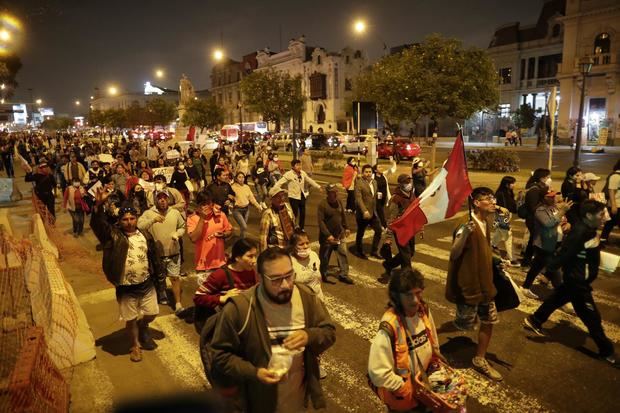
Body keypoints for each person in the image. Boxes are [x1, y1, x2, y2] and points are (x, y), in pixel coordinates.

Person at [210, 247, 336, 413]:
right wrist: (255, 373)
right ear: (260, 278)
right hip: (257, 402)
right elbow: (219, 356)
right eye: (276, 279)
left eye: (289, 275)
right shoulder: (240, 308)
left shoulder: (307, 297)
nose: (285, 285)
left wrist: (309, 335)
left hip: (296, 402)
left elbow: (329, 331)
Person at [524, 200, 616, 366]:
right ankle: (607, 350)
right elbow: (565, 253)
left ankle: (535, 319)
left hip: (577, 279)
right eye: (601, 214)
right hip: (578, 281)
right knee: (591, 317)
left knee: (559, 297)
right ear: (589, 216)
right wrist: (549, 270)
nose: (605, 217)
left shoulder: (588, 229)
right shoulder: (581, 232)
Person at [90, 190, 163, 363]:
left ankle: (143, 326)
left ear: (136, 218)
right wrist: (99, 205)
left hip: (146, 283)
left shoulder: (145, 235)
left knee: (152, 313)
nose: (129, 222)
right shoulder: (112, 236)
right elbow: (98, 225)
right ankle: (135, 346)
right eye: (125, 219)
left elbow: (154, 257)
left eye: (132, 218)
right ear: (119, 221)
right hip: (125, 287)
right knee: (130, 320)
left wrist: (160, 277)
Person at [368, 268, 448, 413]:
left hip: (425, 388)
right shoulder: (389, 327)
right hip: (405, 399)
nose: (415, 300)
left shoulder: (423, 310)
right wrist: (404, 387)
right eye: (408, 295)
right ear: (396, 296)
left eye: (418, 293)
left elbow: (433, 339)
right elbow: (377, 373)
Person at [445, 187, 503, 381]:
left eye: (493, 198)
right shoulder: (466, 224)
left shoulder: (485, 222)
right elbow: (454, 254)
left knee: (489, 321)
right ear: (476, 203)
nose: (493, 202)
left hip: (485, 285)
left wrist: (497, 260)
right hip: (469, 286)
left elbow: (483, 248)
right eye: (489, 199)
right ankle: (432, 342)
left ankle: (479, 358)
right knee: (462, 324)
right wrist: (463, 236)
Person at [138, 189, 186, 313]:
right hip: (156, 254)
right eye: (159, 198)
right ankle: (161, 292)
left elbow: (182, 227)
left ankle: (178, 304)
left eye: (165, 198)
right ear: (155, 200)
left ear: (168, 199)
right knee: (159, 277)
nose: (162, 200)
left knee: (175, 277)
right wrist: (153, 220)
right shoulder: (149, 213)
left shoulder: (175, 212)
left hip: (174, 252)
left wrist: (178, 233)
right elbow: (139, 225)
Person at [521, 190, 572, 299]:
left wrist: (567, 224)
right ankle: (562, 299)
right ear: (544, 198)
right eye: (551, 196)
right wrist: (562, 211)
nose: (555, 198)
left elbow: (561, 222)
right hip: (544, 245)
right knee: (555, 270)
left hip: (556, 243)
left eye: (556, 196)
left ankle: (525, 288)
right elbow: (549, 224)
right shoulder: (540, 210)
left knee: (536, 266)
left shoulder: (555, 208)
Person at [193, 238, 259, 317]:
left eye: (255, 256)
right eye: (250, 256)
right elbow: (198, 297)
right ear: (237, 257)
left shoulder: (251, 272)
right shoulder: (220, 274)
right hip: (227, 321)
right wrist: (222, 298)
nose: (254, 260)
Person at [187, 192, 233, 275]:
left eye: (208, 203)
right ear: (198, 205)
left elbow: (229, 230)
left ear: (212, 204)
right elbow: (193, 238)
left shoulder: (221, 215)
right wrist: (202, 218)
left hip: (220, 263)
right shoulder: (192, 218)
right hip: (202, 266)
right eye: (203, 204)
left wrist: (224, 235)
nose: (206, 207)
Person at [382, 174, 417, 281]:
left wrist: (420, 227)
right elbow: (391, 218)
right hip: (400, 230)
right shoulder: (396, 198)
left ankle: (389, 264)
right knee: (406, 257)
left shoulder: (411, 194)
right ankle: (407, 279)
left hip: (410, 229)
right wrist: (388, 237)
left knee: (410, 252)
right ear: (401, 184)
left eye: (409, 182)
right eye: (406, 183)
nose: (409, 184)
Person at [317, 184, 352, 284]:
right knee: (324, 257)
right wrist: (328, 235)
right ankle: (323, 274)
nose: (335, 193)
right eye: (333, 192)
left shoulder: (339, 201)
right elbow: (321, 222)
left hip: (339, 234)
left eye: (336, 191)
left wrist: (346, 227)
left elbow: (343, 215)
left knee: (343, 254)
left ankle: (344, 275)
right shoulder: (322, 204)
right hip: (327, 237)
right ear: (328, 193)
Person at [274, 159, 322, 230]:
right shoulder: (289, 174)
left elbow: (309, 180)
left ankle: (301, 227)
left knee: (303, 213)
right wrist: (275, 190)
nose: (299, 166)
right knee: (294, 214)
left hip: (301, 195)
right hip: (293, 197)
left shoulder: (302, 173)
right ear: (293, 166)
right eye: (297, 165)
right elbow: (279, 183)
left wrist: (318, 186)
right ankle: (293, 227)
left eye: (300, 165)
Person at [522, 168, 552, 266]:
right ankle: (529, 261)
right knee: (535, 240)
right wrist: (546, 202)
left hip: (537, 218)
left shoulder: (541, 187)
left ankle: (527, 261)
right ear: (541, 178)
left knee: (534, 239)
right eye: (547, 177)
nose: (549, 179)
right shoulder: (534, 189)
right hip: (533, 219)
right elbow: (532, 207)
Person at [354, 164, 382, 259]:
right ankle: (359, 251)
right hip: (363, 213)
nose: (368, 174)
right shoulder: (359, 183)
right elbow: (358, 199)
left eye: (370, 172)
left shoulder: (374, 182)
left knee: (378, 230)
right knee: (361, 232)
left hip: (373, 212)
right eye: (366, 172)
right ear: (363, 173)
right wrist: (364, 211)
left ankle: (374, 250)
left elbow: (373, 196)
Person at [288, 229, 325, 301]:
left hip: (317, 297)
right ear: (293, 246)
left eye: (307, 243)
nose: (305, 246)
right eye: (301, 244)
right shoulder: (289, 261)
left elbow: (318, 278)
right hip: (300, 301)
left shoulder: (313, 255)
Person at [259, 187, 296, 252]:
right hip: (276, 251)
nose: (282, 199)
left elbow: (293, 225)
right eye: (278, 197)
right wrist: (263, 256)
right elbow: (263, 238)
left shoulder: (288, 207)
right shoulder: (268, 214)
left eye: (282, 196)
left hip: (290, 248)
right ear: (272, 199)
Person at [494, 176, 519, 265]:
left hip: (508, 216)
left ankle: (491, 246)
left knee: (499, 234)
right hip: (501, 216)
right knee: (508, 236)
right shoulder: (500, 193)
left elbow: (511, 205)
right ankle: (512, 259)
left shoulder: (509, 192)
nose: (514, 185)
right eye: (512, 183)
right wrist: (501, 208)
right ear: (506, 184)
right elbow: (493, 205)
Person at [231, 172, 263, 239]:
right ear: (236, 179)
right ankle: (242, 241)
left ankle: (242, 241)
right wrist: (230, 202)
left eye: (242, 177)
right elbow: (228, 196)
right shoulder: (232, 187)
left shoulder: (246, 187)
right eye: (239, 177)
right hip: (237, 210)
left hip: (246, 210)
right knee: (244, 226)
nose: (241, 179)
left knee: (243, 228)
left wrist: (258, 206)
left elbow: (252, 198)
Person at [373, 159, 397, 228]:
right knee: (380, 210)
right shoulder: (372, 177)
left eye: (381, 167)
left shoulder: (383, 175)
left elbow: (392, 170)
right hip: (376, 197)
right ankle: (384, 225)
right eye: (379, 167)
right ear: (375, 170)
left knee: (379, 210)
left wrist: (393, 163)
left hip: (383, 197)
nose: (381, 168)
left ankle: (371, 221)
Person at [601, 159, 620, 243]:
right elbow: (611, 191)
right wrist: (613, 205)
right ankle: (602, 240)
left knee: (609, 224)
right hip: (617, 205)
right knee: (609, 224)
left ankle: (603, 239)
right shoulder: (615, 176)